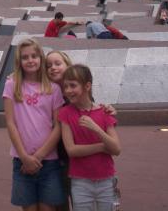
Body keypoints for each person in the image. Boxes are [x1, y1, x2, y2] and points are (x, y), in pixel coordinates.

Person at [45, 52, 117, 211]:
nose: (53, 68)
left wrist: (106, 111)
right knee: (62, 202)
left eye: (57, 63)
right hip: (59, 158)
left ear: (67, 65)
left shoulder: (77, 95)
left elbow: (94, 112)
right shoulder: (47, 92)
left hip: (83, 163)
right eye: (48, 65)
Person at [3, 38, 66, 210]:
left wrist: (37, 157)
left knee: (48, 208)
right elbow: (10, 123)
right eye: (25, 57)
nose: (30, 60)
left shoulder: (53, 88)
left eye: (34, 56)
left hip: (49, 161)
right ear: (19, 61)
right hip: (21, 160)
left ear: (41, 58)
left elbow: (58, 125)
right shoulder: (11, 84)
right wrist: (24, 157)